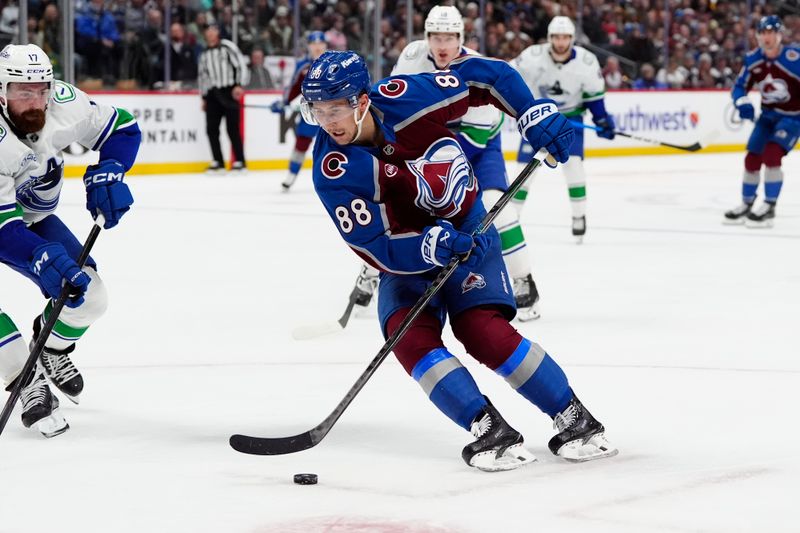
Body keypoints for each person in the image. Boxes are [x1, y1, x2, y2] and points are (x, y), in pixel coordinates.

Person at [301, 50, 617, 470]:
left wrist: (531, 113)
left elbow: (487, 76)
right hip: (409, 256)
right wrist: (428, 246)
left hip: (468, 229)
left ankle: (577, 420)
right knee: (406, 334)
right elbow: (374, 246)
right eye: (316, 111)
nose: (327, 121)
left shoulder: (407, 97)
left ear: (362, 101)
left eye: (335, 108)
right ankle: (488, 428)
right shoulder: (333, 169)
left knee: (482, 330)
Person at [0, 44, 140, 437]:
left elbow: (123, 128)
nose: (34, 101)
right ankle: (24, 379)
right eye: (21, 92)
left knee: (90, 294)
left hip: (31, 214)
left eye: (40, 89)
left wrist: (111, 168)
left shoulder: (63, 103)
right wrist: (38, 257)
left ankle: (49, 349)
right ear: (0, 91)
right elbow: (3, 230)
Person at [388, 5, 541, 321]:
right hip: (425, 148)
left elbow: (474, 140)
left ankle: (523, 279)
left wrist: (435, 182)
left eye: (450, 37)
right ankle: (378, 272)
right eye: (436, 37)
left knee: (498, 208)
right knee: (394, 208)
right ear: (427, 37)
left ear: (461, 37)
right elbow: (392, 111)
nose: (442, 45)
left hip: (478, 149)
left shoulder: (476, 69)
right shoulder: (411, 58)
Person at [512, 16, 616, 243]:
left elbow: (594, 97)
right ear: (549, 38)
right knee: (525, 170)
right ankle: (511, 219)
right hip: (538, 120)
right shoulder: (531, 57)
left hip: (569, 120)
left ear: (572, 39)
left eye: (565, 37)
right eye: (556, 37)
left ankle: (579, 216)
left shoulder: (587, 62)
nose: (561, 42)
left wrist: (602, 119)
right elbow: (509, 80)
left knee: (574, 166)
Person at [724, 15, 800, 228]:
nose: (767, 37)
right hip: (767, 117)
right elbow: (740, 86)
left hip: (792, 118)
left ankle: (769, 205)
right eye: (763, 33)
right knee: (752, 159)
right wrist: (742, 102)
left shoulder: (795, 59)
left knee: (772, 154)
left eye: (771, 32)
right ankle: (747, 203)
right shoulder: (753, 59)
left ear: (779, 35)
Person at [272, 31, 328, 192]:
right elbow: (294, 87)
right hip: (312, 113)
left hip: (334, 113)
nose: (317, 47)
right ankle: (291, 174)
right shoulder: (303, 66)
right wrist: (283, 102)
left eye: (320, 43)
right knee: (301, 142)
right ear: (309, 46)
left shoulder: (335, 63)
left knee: (340, 143)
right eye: (314, 44)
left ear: (325, 45)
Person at [198, 24, 248, 172]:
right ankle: (218, 161)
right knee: (211, 129)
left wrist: (239, 85)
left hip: (230, 91)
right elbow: (202, 76)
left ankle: (240, 161)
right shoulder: (204, 53)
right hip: (213, 94)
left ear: (218, 31)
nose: (210, 33)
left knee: (232, 128)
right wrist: (204, 96)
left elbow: (241, 65)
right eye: (208, 30)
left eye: (213, 29)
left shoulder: (227, 47)